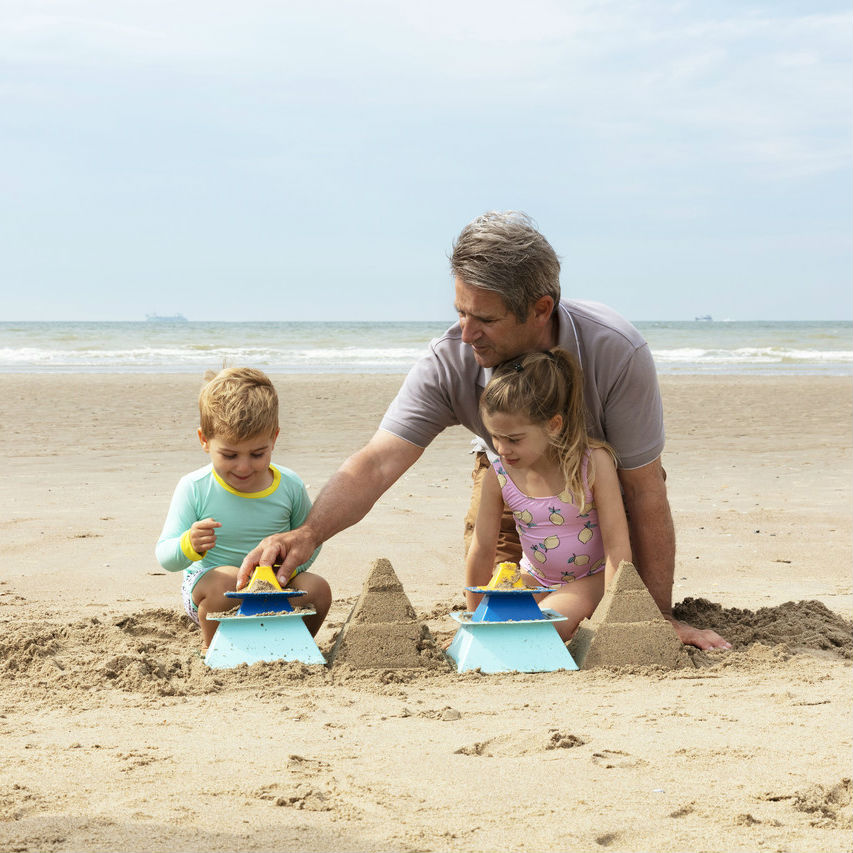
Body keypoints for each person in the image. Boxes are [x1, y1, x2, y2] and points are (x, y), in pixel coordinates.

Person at [238, 211, 730, 650]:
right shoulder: (451, 359)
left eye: (485, 319)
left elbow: (644, 488)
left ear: (541, 308)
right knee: (506, 600)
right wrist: (307, 532)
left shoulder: (616, 350)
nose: (466, 333)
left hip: (597, 476)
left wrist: (655, 615)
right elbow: (379, 460)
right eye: (460, 312)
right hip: (511, 473)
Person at [155, 367, 332, 649]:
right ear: (204, 440)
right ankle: (215, 649)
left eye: (257, 453)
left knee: (318, 589)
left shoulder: (289, 485)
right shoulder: (195, 487)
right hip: (213, 592)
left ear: (274, 438)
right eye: (229, 454)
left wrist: (285, 571)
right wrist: (189, 544)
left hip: (274, 589)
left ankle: (292, 646)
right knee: (225, 578)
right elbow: (165, 556)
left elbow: (311, 539)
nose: (244, 466)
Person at [466, 348, 632, 641]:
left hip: (590, 579)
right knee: (500, 627)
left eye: (513, 439)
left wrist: (613, 616)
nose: (502, 449)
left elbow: (617, 548)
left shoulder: (592, 464)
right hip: (533, 579)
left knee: (542, 628)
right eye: (494, 437)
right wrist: (474, 624)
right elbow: (481, 550)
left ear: (553, 426)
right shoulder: (499, 475)